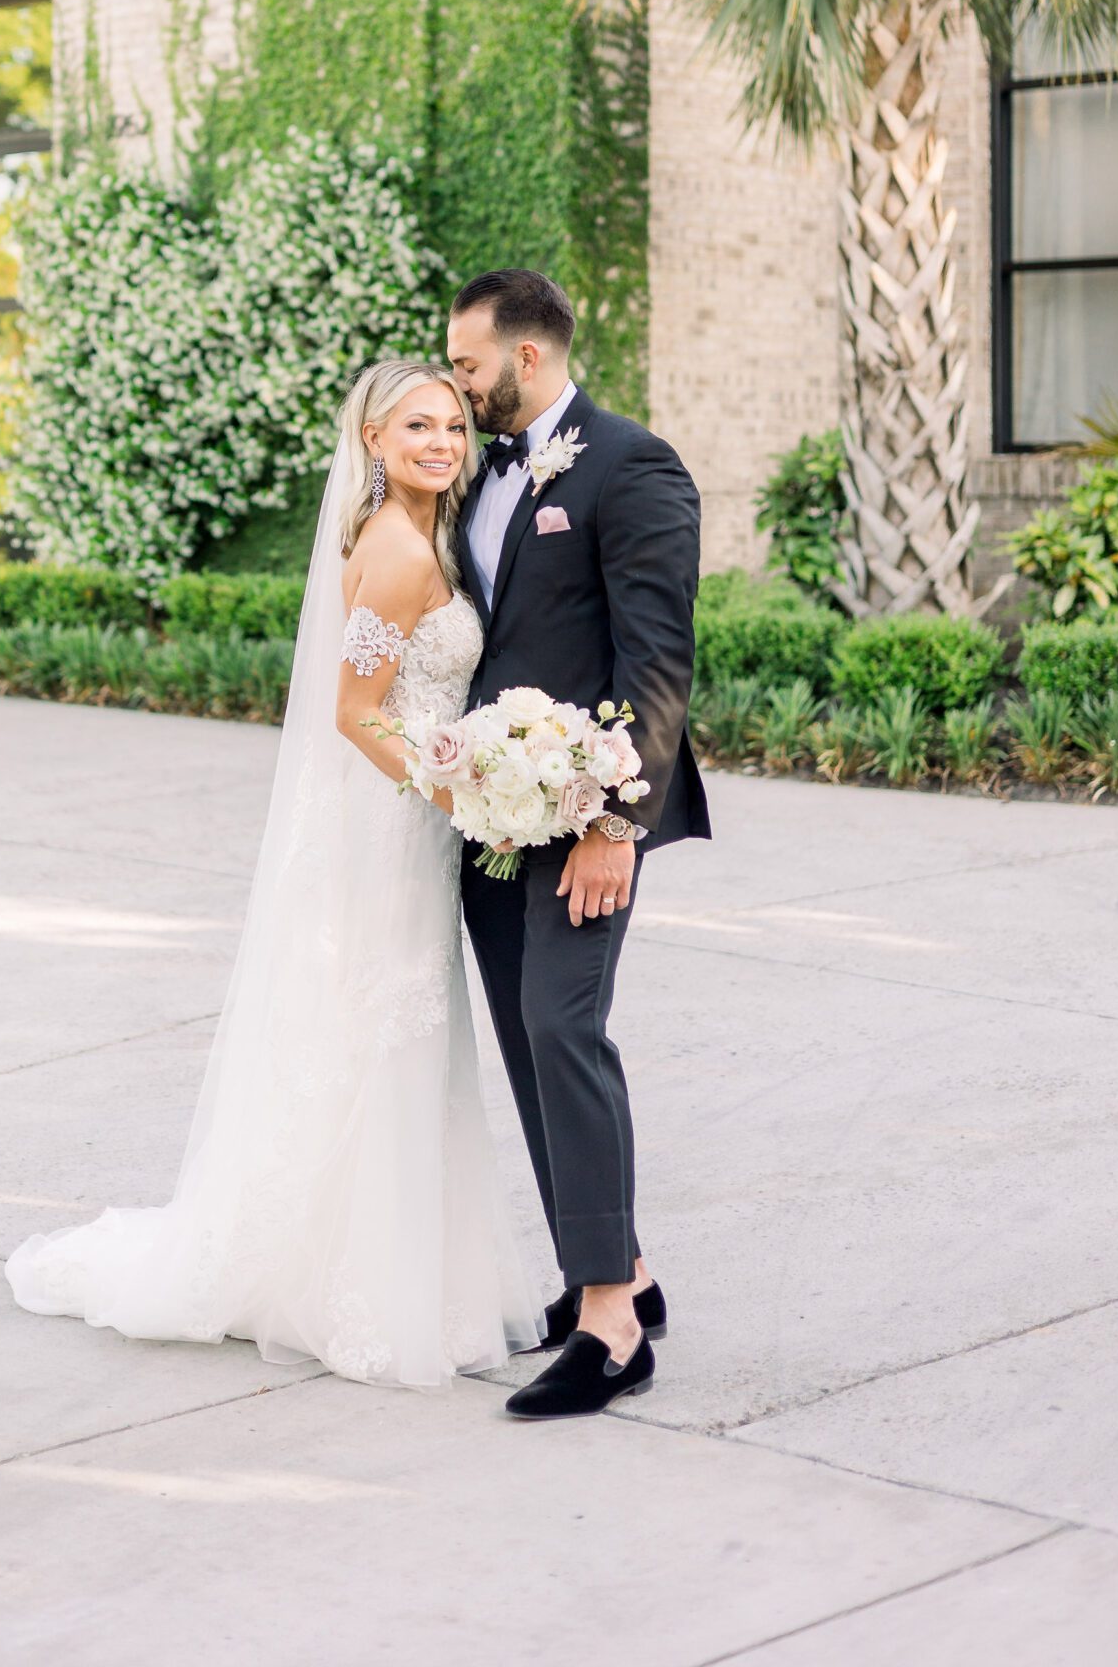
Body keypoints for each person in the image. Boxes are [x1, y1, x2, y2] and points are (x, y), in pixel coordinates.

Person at [4, 361, 550, 1387]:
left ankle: (392, 1269)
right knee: (384, 1032)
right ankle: (354, 1285)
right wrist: (466, 799)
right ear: (375, 442)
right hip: (393, 830)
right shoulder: (395, 549)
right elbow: (356, 711)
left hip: (411, 822)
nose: (441, 441)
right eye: (416, 426)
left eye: (451, 426)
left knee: (394, 1038)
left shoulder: (426, 531)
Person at [447, 268, 710, 1419]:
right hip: (491, 817)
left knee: (565, 1025)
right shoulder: (472, 475)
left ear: (530, 358)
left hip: (593, 810)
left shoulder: (632, 466)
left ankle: (611, 1325)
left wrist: (615, 823)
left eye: (468, 366)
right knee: (523, 1040)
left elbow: (656, 660)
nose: (456, 387)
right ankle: (615, 1267)